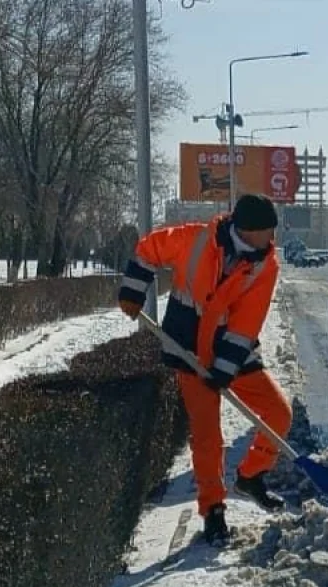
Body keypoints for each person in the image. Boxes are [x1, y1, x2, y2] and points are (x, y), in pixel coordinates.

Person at [117, 193, 293, 544]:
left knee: (278, 412)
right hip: (188, 348)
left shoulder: (266, 264)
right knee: (207, 435)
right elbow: (149, 249)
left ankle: (251, 475)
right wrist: (133, 291)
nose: (272, 238)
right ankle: (213, 511)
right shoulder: (196, 239)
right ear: (247, 229)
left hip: (233, 351)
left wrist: (224, 369)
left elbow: (246, 323)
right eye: (267, 231)